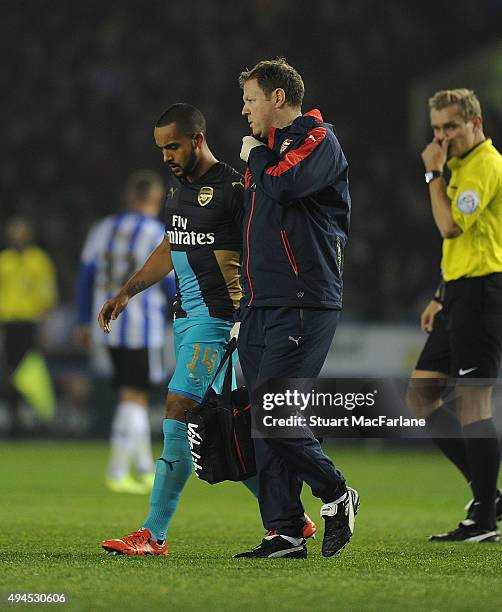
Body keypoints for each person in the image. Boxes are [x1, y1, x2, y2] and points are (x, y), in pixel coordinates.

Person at [98, 103, 316, 556]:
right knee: (216, 430)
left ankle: (152, 534)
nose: (166, 157)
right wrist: (126, 292)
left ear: (197, 139)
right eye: (160, 149)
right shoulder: (178, 191)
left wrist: (245, 319)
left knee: (179, 407)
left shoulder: (236, 189)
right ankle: (290, 516)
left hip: (218, 321)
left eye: (173, 146)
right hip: (185, 321)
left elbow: (261, 252)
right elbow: (169, 245)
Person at [234, 58, 359, 559]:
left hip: (304, 300)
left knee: (272, 411)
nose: (244, 109)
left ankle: (336, 493)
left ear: (278, 98)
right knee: (263, 420)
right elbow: (254, 230)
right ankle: (283, 530)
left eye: (251, 99)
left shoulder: (318, 139)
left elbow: (286, 185)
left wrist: (256, 161)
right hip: (262, 304)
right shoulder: (262, 156)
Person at [407, 89, 502, 543]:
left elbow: (449, 226)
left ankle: (483, 518)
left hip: (485, 293)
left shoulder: (484, 164)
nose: (443, 136)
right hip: (459, 292)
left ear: (476, 122)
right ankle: (489, 494)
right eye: (438, 129)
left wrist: (431, 173)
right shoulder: (461, 167)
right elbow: (462, 242)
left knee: (472, 404)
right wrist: (442, 294)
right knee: (421, 400)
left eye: (451, 127)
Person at [77, 170, 175, 494]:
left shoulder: (102, 229)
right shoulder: (153, 231)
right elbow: (170, 282)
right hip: (141, 327)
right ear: (155, 199)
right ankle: (118, 471)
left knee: (129, 395)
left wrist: (82, 320)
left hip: (108, 327)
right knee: (135, 397)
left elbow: (86, 277)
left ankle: (144, 468)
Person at [0, 217, 57, 436]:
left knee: (32, 373)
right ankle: (14, 421)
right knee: (11, 373)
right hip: (8, 323)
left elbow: (47, 295)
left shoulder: (38, 261)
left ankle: (39, 420)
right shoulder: (4, 261)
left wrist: (45, 328)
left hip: (29, 323)